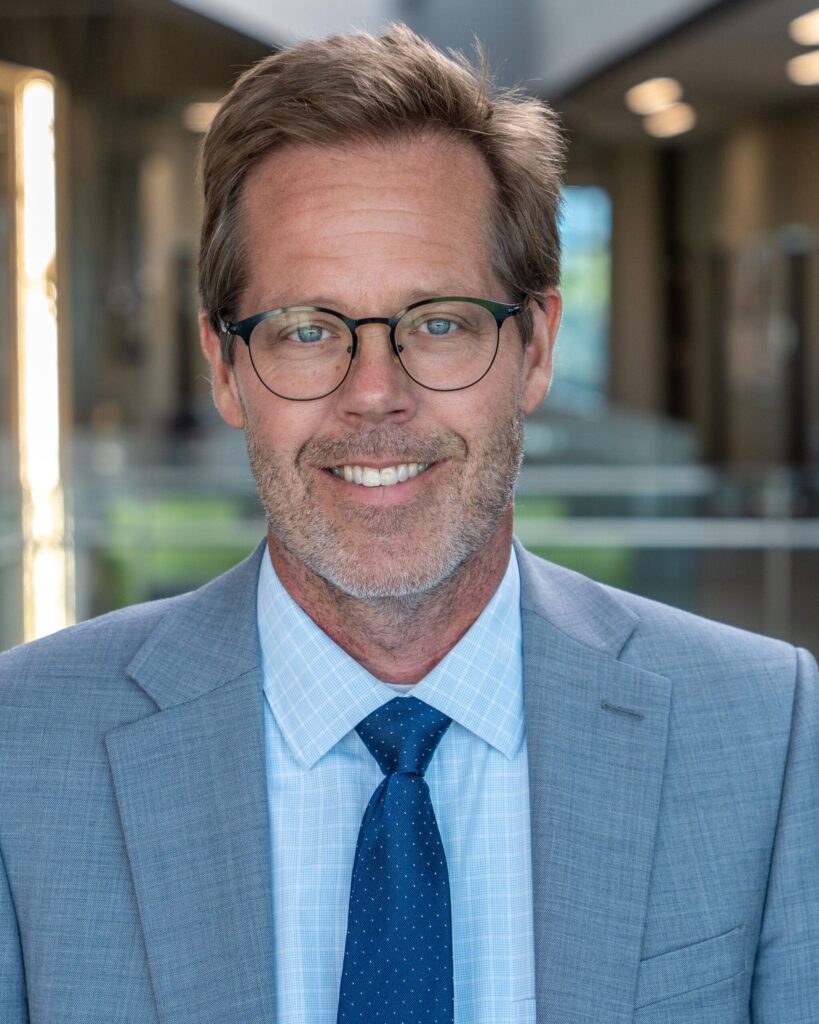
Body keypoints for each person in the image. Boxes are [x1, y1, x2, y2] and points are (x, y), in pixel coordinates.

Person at [1, 24, 817, 1024]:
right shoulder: (22, 744)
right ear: (225, 366)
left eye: (438, 322)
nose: (374, 394)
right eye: (308, 330)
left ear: (535, 348)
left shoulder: (765, 729)